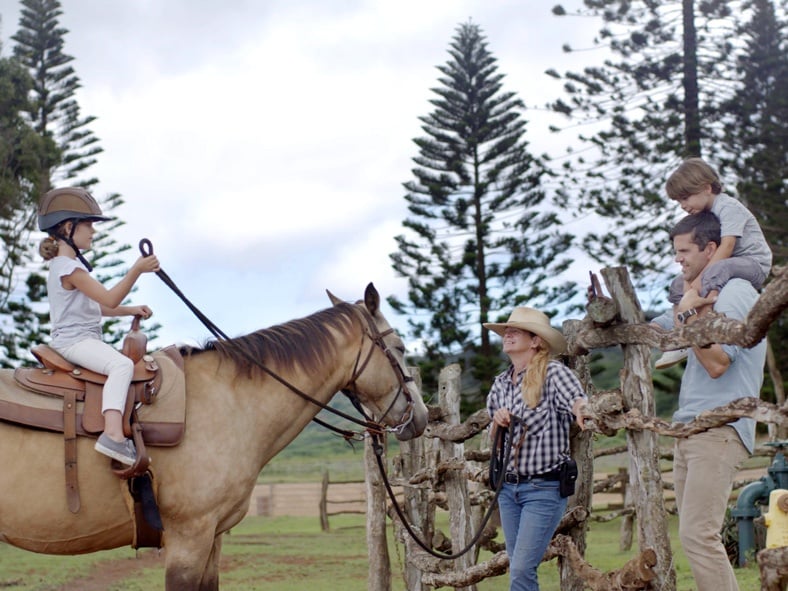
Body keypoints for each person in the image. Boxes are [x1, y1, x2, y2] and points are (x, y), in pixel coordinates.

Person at [652, 211, 767, 591]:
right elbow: (660, 329)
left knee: (700, 536)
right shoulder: (697, 295)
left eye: (684, 250)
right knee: (694, 537)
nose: (678, 259)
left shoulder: (736, 292)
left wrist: (688, 320)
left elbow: (719, 362)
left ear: (711, 248)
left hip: (719, 429)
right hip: (692, 429)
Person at [38, 187, 160, 465]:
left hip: (80, 339)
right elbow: (110, 296)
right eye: (88, 224)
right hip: (74, 342)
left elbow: (99, 306)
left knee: (119, 364)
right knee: (121, 365)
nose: (93, 231)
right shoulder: (70, 269)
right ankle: (113, 435)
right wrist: (136, 270)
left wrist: (130, 310)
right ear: (69, 228)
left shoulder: (65, 267)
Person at [484, 307, 589, 591]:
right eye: (507, 330)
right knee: (518, 566)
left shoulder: (554, 373)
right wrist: (497, 421)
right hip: (508, 490)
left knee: (520, 568)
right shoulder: (501, 384)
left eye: (516, 331)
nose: (508, 334)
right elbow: (491, 436)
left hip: (543, 489)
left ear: (536, 341)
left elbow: (576, 400)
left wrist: (584, 411)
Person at [655, 157, 772, 369]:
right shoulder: (706, 214)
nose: (683, 206)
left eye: (685, 198)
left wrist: (697, 285)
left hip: (753, 263)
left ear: (707, 188)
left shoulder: (728, 207)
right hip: (728, 265)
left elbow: (726, 247)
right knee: (679, 282)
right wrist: (688, 283)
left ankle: (703, 323)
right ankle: (678, 336)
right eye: (678, 202)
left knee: (715, 270)